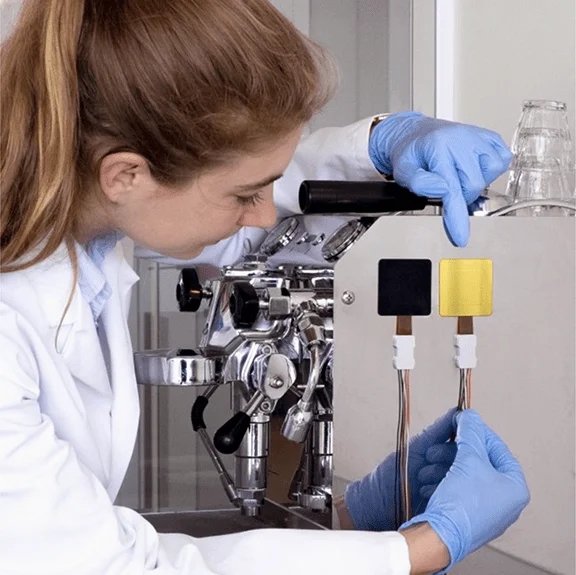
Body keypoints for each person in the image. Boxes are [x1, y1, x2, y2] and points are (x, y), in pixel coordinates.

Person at [0, 1, 529, 574]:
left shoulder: (88, 234)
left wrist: (380, 147)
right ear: (125, 175)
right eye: (243, 196)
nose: (263, 217)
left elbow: (248, 192)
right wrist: (425, 548)